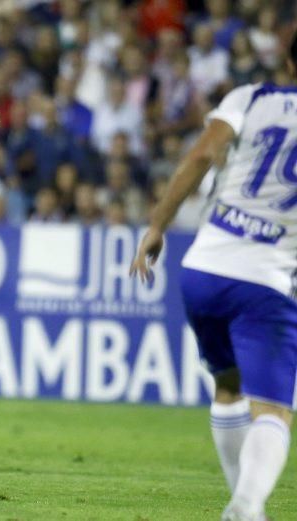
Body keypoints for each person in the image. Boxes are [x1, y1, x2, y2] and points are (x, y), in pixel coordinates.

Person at [131, 32, 297, 521]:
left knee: (227, 385)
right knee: (273, 410)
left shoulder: (251, 96)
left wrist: (158, 224)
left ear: (287, 61)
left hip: (204, 268)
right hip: (266, 279)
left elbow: (201, 154)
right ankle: (245, 506)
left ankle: (248, 510)